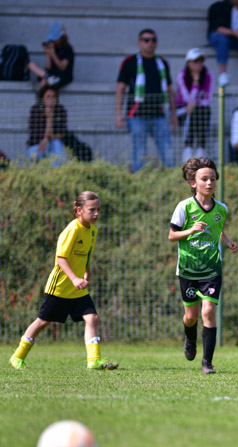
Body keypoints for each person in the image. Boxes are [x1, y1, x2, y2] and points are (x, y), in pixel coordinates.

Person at [9, 191, 119, 371]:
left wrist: (86, 273)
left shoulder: (93, 231)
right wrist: (74, 278)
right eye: (92, 210)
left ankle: (94, 360)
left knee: (92, 317)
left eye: (98, 209)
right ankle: (17, 356)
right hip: (59, 287)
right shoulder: (72, 230)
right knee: (43, 322)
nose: (96, 213)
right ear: (79, 210)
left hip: (77, 289)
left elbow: (86, 256)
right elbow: (61, 258)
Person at [168, 158, 238, 375]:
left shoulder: (221, 209)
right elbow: (172, 235)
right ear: (193, 183)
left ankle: (207, 363)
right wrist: (190, 230)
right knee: (191, 317)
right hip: (188, 269)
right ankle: (190, 339)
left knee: (208, 311)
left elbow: (217, 229)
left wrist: (228, 242)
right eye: (204, 179)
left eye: (213, 179)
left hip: (211, 269)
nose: (209, 183)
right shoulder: (184, 207)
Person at [115, 28, 177, 173]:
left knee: (168, 151)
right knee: (140, 153)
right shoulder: (129, 62)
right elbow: (120, 89)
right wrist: (118, 114)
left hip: (159, 115)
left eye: (153, 40)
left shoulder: (162, 62)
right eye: (146, 40)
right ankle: (139, 181)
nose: (150, 43)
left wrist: (173, 113)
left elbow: (169, 90)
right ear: (139, 42)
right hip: (136, 116)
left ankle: (172, 180)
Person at [176, 48, 214, 162]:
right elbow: (187, 99)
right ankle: (188, 148)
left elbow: (208, 99)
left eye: (200, 61)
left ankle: (200, 149)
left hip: (199, 110)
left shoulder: (208, 75)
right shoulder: (181, 76)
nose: (198, 64)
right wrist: (196, 83)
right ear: (188, 63)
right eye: (195, 61)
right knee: (193, 111)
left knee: (203, 110)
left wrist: (195, 103)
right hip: (182, 110)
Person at [27, 85, 67, 167]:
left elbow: (60, 135)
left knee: (57, 143)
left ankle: (57, 171)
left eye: (53, 97)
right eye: (48, 97)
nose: (51, 100)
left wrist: (50, 118)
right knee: (34, 151)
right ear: (43, 99)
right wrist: (47, 139)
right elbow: (36, 135)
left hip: (54, 146)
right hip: (38, 147)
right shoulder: (36, 110)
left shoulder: (61, 110)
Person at [27, 22, 74, 91]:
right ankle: (48, 77)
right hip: (51, 75)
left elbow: (62, 67)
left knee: (44, 83)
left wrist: (53, 54)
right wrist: (48, 54)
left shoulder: (67, 48)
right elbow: (48, 67)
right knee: (31, 64)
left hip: (63, 76)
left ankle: (49, 79)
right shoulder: (53, 46)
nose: (53, 40)